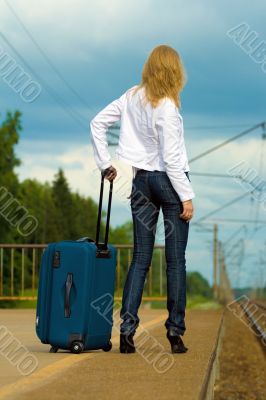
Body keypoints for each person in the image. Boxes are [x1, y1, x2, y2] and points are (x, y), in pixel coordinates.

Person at [90, 44, 195, 354]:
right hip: (169, 184)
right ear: (174, 71)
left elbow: (97, 122)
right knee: (176, 263)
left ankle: (126, 332)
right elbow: (172, 160)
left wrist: (105, 163)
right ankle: (175, 334)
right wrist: (186, 197)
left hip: (139, 183)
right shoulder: (167, 107)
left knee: (141, 259)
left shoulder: (131, 96)